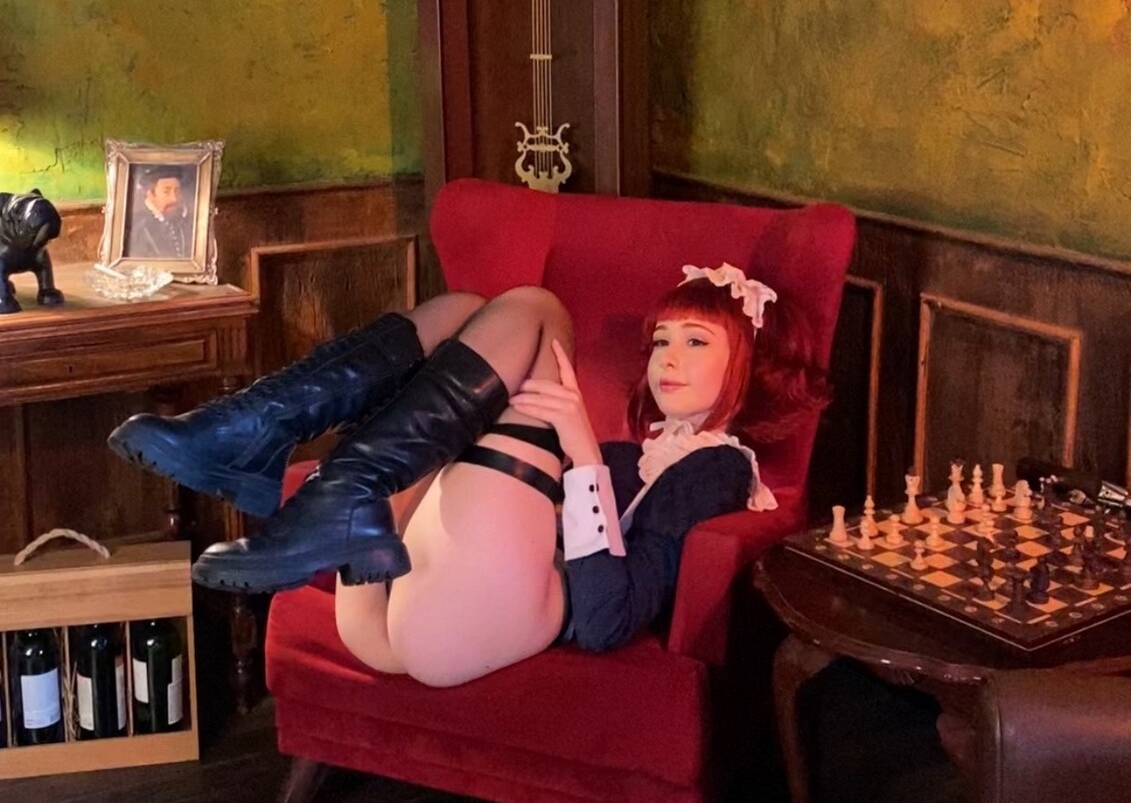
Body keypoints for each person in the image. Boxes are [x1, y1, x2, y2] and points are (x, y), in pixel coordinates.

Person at [107, 264, 828, 688]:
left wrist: (581, 453)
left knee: (535, 311)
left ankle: (269, 446)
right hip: (401, 603)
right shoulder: (637, 454)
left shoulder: (717, 470)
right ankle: (264, 443)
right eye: (661, 340)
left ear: (748, 367)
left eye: (696, 342)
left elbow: (607, 622)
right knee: (464, 311)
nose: (667, 357)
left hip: (469, 622)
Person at [128, 167, 192, 260]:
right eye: (166, 192)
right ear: (150, 194)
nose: (174, 199)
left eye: (177, 191)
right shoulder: (137, 227)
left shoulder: (184, 222)